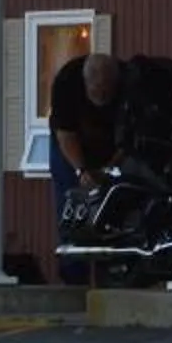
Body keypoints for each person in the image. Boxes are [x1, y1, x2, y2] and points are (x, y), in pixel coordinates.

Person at [49, 51, 124, 284]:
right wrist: (81, 170)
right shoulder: (67, 83)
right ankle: (74, 277)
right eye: (96, 91)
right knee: (71, 201)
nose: (102, 96)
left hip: (112, 148)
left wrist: (108, 170)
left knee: (114, 203)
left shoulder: (129, 85)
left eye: (106, 91)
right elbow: (65, 135)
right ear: (86, 83)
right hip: (72, 144)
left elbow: (129, 140)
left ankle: (110, 273)